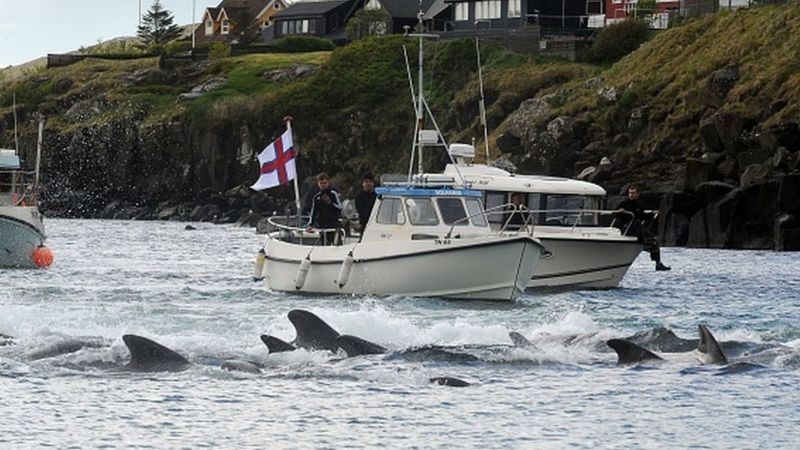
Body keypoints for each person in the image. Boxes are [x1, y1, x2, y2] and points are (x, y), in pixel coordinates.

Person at [615, 185, 671, 271]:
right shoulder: (623, 204)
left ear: (637, 194)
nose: (631, 195)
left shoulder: (639, 205)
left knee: (654, 241)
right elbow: (615, 214)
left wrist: (652, 213)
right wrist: (621, 212)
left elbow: (643, 216)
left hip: (637, 229)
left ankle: (658, 263)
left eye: (633, 193)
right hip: (626, 227)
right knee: (636, 224)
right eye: (630, 193)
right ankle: (643, 242)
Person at [306, 172, 343, 245]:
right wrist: (310, 224)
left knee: (337, 245)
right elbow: (314, 211)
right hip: (322, 225)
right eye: (321, 183)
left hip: (334, 224)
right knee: (325, 244)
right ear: (318, 184)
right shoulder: (317, 197)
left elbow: (340, 208)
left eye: (325, 183)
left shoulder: (333, 194)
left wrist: (330, 203)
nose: (323, 185)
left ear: (328, 183)